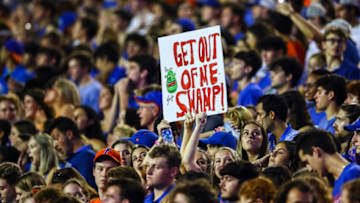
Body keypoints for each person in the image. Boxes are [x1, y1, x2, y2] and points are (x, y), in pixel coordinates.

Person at [296, 128, 360, 201]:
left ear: (316, 152)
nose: (310, 169)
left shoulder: (353, 174)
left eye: (307, 162)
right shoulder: (336, 181)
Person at [48, 117, 96, 188]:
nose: (54, 145)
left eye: (56, 138)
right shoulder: (73, 159)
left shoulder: (85, 157)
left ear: (69, 134)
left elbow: (86, 191)